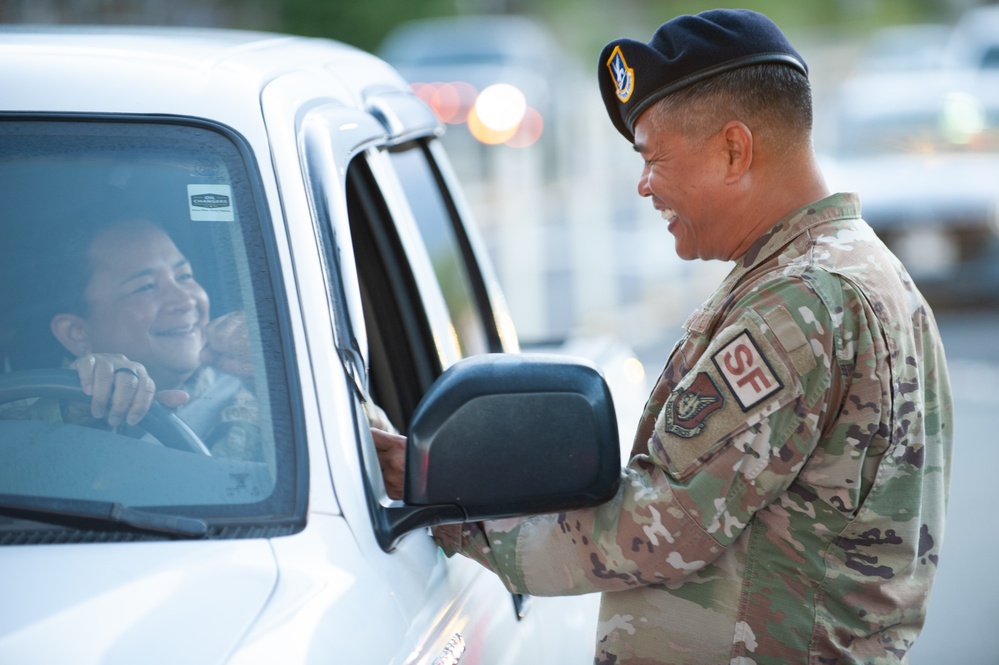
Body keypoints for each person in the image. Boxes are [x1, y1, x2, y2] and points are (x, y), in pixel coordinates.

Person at [374, 9, 954, 665]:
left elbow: (652, 528)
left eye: (653, 157)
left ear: (734, 149)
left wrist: (443, 509)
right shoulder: (842, 271)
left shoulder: (801, 303)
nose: (644, 185)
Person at [3, 217, 261, 460]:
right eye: (146, 286)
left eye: (184, 276)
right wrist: (76, 412)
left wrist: (266, 367)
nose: (185, 300)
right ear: (76, 333)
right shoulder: (21, 410)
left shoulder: (255, 387)